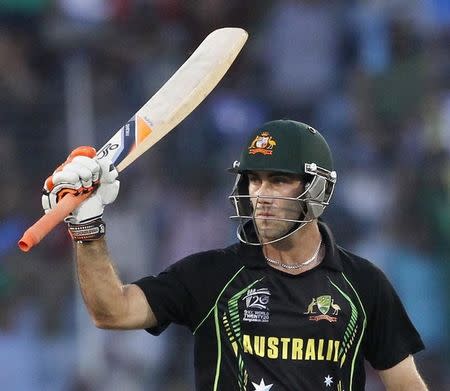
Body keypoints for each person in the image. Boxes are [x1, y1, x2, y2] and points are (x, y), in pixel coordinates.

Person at [42, 120, 428, 390]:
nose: (260, 194)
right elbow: (112, 311)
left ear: (317, 190)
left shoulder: (362, 283)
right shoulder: (210, 274)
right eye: (253, 180)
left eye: (278, 180)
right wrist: (87, 228)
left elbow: (406, 384)